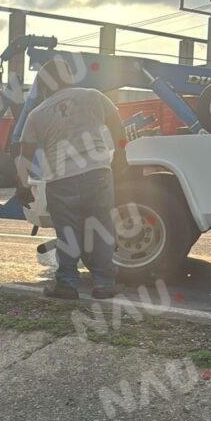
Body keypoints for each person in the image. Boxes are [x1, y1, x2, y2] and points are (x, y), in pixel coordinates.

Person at [15, 58, 127, 300]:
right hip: (97, 173)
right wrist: (120, 156)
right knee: (101, 228)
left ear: (44, 85)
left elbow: (25, 155)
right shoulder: (92, 96)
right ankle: (104, 283)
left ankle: (67, 284)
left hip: (60, 179)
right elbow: (117, 126)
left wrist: (22, 185)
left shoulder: (36, 114)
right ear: (69, 77)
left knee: (67, 232)